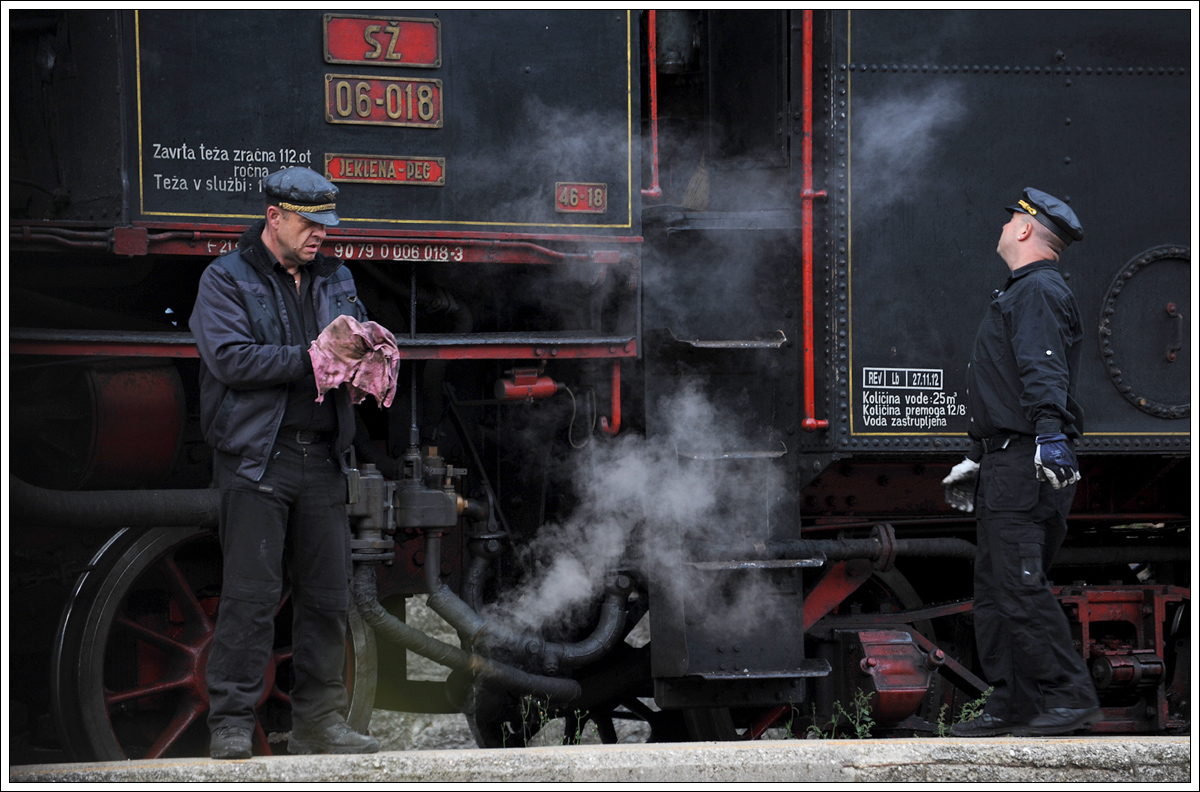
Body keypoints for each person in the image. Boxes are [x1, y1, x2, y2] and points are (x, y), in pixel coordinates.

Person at [190, 167, 380, 758]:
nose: (321, 234)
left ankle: (319, 721)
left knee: (326, 597)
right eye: (309, 223)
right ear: (275, 216)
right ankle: (230, 724)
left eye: (327, 223)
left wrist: (372, 357)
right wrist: (314, 359)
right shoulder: (224, 279)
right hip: (258, 458)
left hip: (323, 457)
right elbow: (230, 360)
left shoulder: (338, 278)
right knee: (250, 596)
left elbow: (351, 341)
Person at [942, 187, 1101, 738]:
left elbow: (1043, 369)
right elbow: (1006, 384)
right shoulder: (1023, 291)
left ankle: (1069, 695)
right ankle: (1013, 703)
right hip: (1003, 462)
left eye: (1012, 217)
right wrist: (973, 456)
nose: (1006, 224)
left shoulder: (1036, 290)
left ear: (1027, 229)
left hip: (1025, 463)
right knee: (996, 590)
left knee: (1018, 583)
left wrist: (1050, 439)